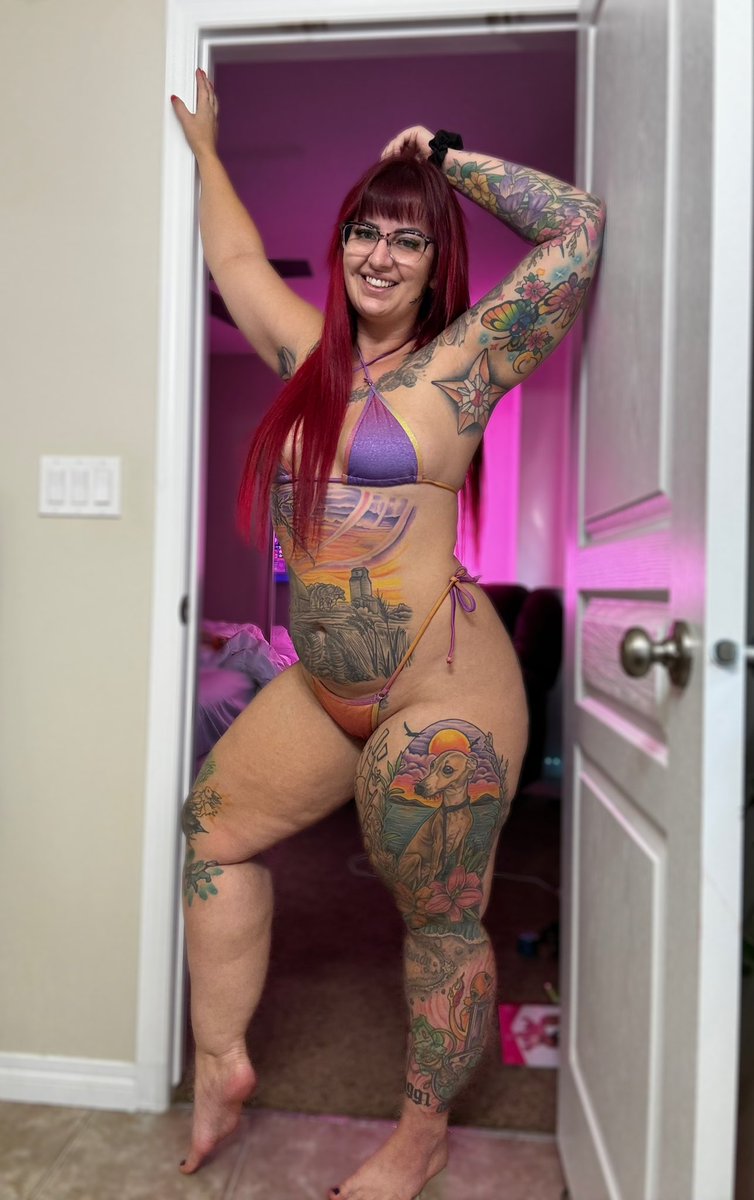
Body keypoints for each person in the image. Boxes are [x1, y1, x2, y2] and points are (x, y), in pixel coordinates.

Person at [171, 67, 605, 1200]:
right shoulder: (302, 355)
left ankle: (422, 1134)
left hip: (440, 691)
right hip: (322, 689)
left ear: (434, 261)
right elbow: (234, 261)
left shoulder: (467, 362)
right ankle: (221, 1064)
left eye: (407, 240)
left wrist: (444, 159)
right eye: (364, 231)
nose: (378, 255)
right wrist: (208, 153)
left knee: (439, 918)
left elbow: (577, 230)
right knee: (211, 836)